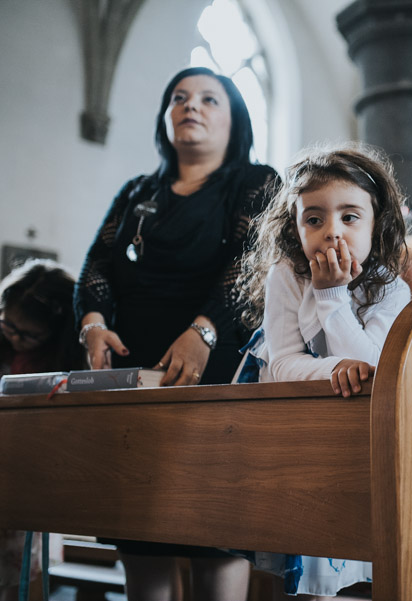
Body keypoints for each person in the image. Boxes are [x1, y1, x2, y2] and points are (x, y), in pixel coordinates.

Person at [73, 66, 278, 601]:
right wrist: (93, 323)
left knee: (214, 534)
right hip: (135, 372)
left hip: (215, 370)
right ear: (165, 116)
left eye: (211, 99)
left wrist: (203, 330)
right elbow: (96, 264)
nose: (192, 106)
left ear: (235, 122)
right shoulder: (138, 191)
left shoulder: (254, 182)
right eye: (180, 98)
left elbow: (251, 266)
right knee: (143, 538)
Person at [237, 143, 410, 598]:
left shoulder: (390, 291)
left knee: (346, 556)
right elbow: (283, 364)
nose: (332, 232)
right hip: (289, 428)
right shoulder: (287, 276)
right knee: (294, 565)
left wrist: (333, 298)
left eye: (350, 217)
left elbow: (374, 368)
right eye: (314, 218)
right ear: (296, 228)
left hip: (360, 436)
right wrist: (337, 366)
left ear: (379, 223)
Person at [0, 259, 81, 601]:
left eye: (29, 333)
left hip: (28, 474)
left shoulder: (65, 364)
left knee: (17, 575)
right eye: (7, 325)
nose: (15, 338)